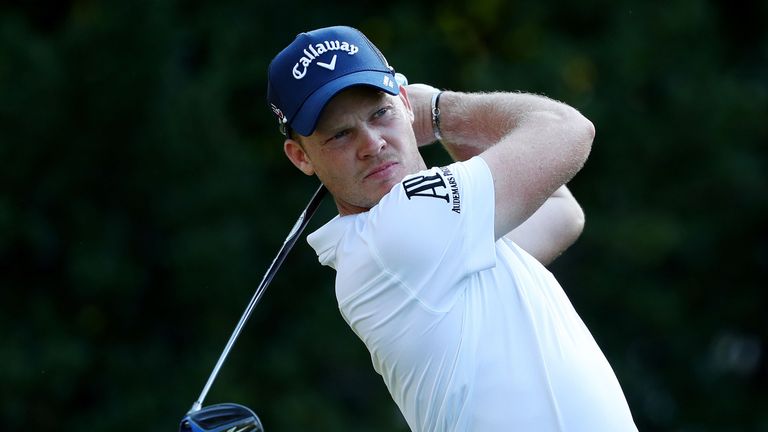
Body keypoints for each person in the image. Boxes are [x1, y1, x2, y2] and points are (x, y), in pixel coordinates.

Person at [266, 25, 637, 431]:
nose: (372, 143)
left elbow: (561, 212)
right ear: (301, 157)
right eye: (340, 134)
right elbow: (567, 129)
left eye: (380, 113)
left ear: (402, 102)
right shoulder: (399, 231)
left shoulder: (447, 237)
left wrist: (441, 124)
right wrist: (439, 112)